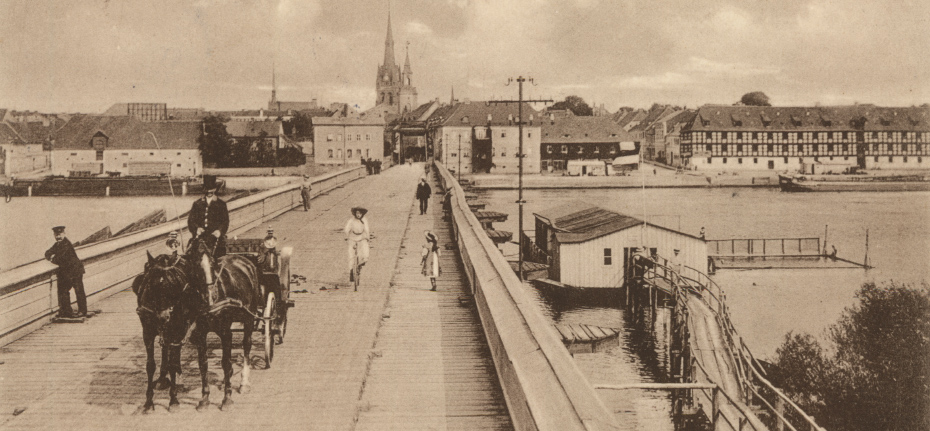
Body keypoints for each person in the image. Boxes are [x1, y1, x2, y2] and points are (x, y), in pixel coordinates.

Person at [45, 226, 87, 318]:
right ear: (54, 235)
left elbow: (60, 258)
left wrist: (52, 258)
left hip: (75, 271)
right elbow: (47, 253)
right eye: (56, 235)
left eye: (60, 234)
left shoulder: (66, 244)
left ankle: (82, 311)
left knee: (79, 291)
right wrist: (51, 256)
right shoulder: (57, 245)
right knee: (63, 290)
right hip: (67, 272)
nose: (58, 237)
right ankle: (66, 311)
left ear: (64, 234)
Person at [188, 175, 229, 258]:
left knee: (219, 258)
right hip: (200, 237)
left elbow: (225, 221)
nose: (209, 193)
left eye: (211, 191)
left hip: (215, 238)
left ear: (214, 190)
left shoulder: (221, 204)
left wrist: (219, 231)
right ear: (204, 190)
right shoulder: (197, 204)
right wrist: (196, 229)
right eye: (207, 191)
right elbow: (191, 220)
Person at [344, 207, 371, 283]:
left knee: (365, 252)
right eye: (357, 213)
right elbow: (347, 228)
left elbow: (366, 229)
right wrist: (346, 236)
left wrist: (368, 237)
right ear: (355, 214)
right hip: (352, 238)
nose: (358, 215)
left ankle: (360, 264)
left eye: (360, 213)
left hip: (362, 237)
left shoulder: (364, 220)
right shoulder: (351, 220)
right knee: (351, 255)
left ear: (362, 214)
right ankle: (351, 271)